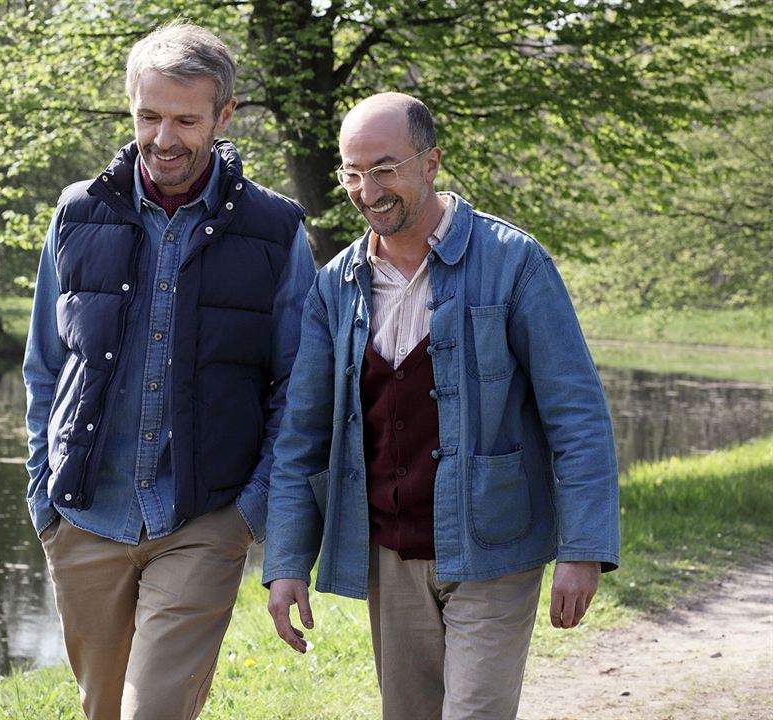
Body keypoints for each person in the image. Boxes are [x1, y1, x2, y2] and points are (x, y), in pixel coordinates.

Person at [263, 92, 620, 719]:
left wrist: (584, 547)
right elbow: (303, 435)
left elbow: (577, 414)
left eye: (384, 168)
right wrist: (287, 559)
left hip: (494, 546)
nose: (367, 189)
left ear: (431, 163)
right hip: (389, 552)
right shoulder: (335, 285)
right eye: (352, 171)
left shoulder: (515, 263)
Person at [22, 21, 316, 720]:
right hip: (85, 516)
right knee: (100, 709)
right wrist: (43, 495)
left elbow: (298, 389)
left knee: (155, 709)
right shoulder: (77, 212)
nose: (164, 138)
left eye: (186, 120)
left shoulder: (276, 231)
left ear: (223, 117)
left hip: (202, 519)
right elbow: (45, 365)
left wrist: (249, 514)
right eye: (149, 116)